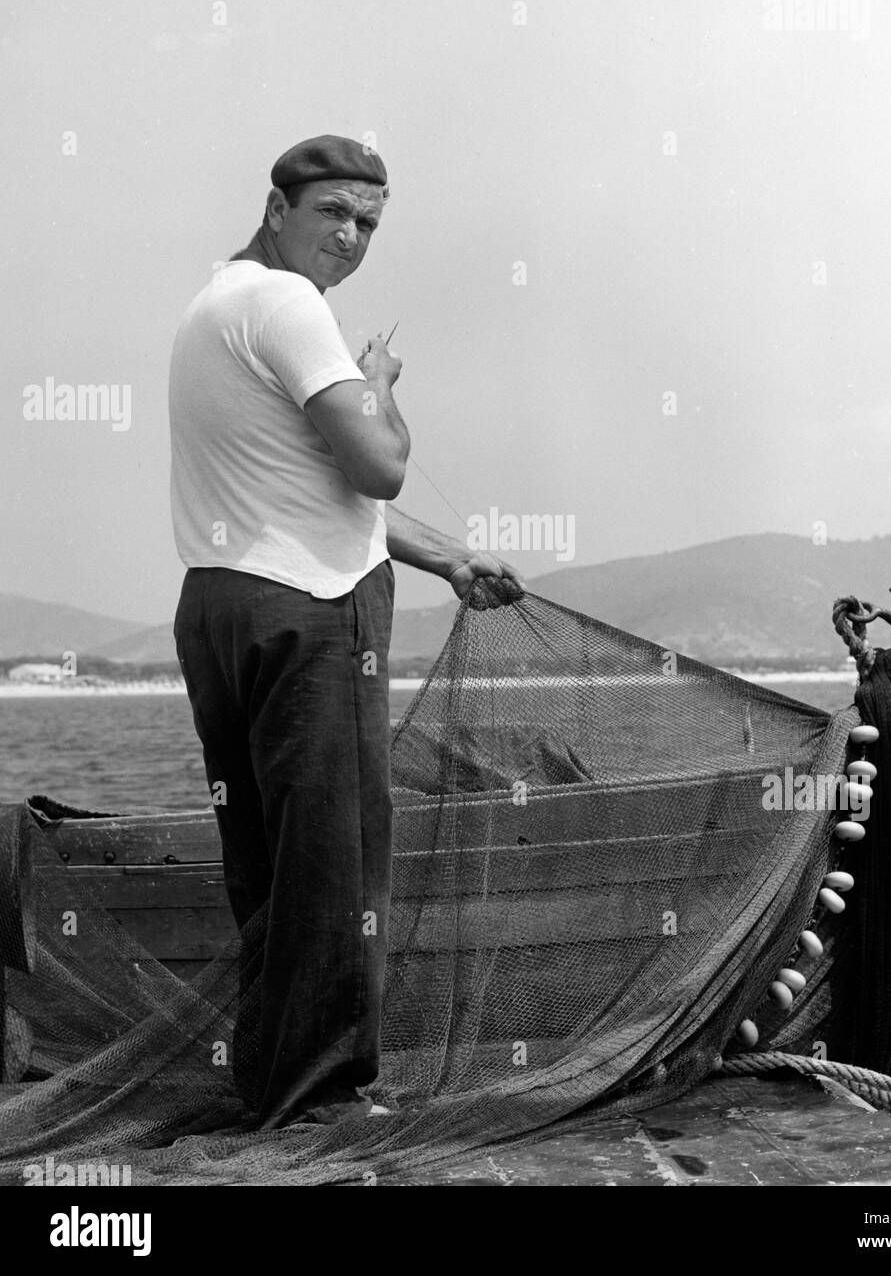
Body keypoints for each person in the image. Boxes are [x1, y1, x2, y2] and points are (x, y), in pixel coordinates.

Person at [168, 134, 524, 1126]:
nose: (352, 237)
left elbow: (317, 490)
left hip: (220, 607)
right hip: (309, 614)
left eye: (368, 222)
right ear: (277, 207)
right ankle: (323, 1097)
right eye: (333, 212)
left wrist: (449, 559)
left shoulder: (215, 304)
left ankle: (276, 1078)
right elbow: (377, 466)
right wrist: (380, 383)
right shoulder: (289, 306)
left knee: (270, 862)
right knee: (335, 856)